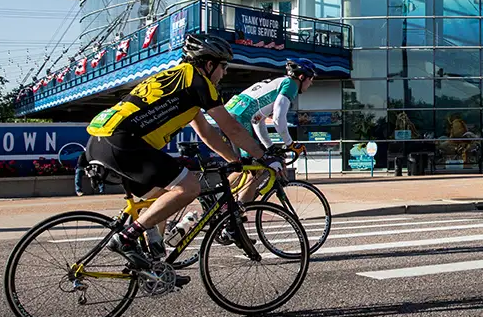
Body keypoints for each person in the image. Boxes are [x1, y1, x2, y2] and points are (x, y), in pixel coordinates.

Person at [85, 33, 270, 267]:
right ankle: (126, 237)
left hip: (101, 140)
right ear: (209, 63)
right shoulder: (199, 82)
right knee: (189, 186)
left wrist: (235, 160)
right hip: (124, 143)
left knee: (162, 199)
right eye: (223, 67)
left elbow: (206, 133)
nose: (224, 73)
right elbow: (231, 128)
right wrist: (263, 156)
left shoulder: (178, 81)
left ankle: (154, 266)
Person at [223, 59, 316, 200]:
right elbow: (278, 118)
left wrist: (270, 146)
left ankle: (234, 208)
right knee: (252, 168)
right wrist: (290, 144)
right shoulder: (290, 84)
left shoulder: (277, 83)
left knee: (247, 167)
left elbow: (257, 121)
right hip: (239, 119)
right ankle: (227, 204)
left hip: (232, 115)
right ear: (302, 77)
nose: (311, 83)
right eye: (311, 79)